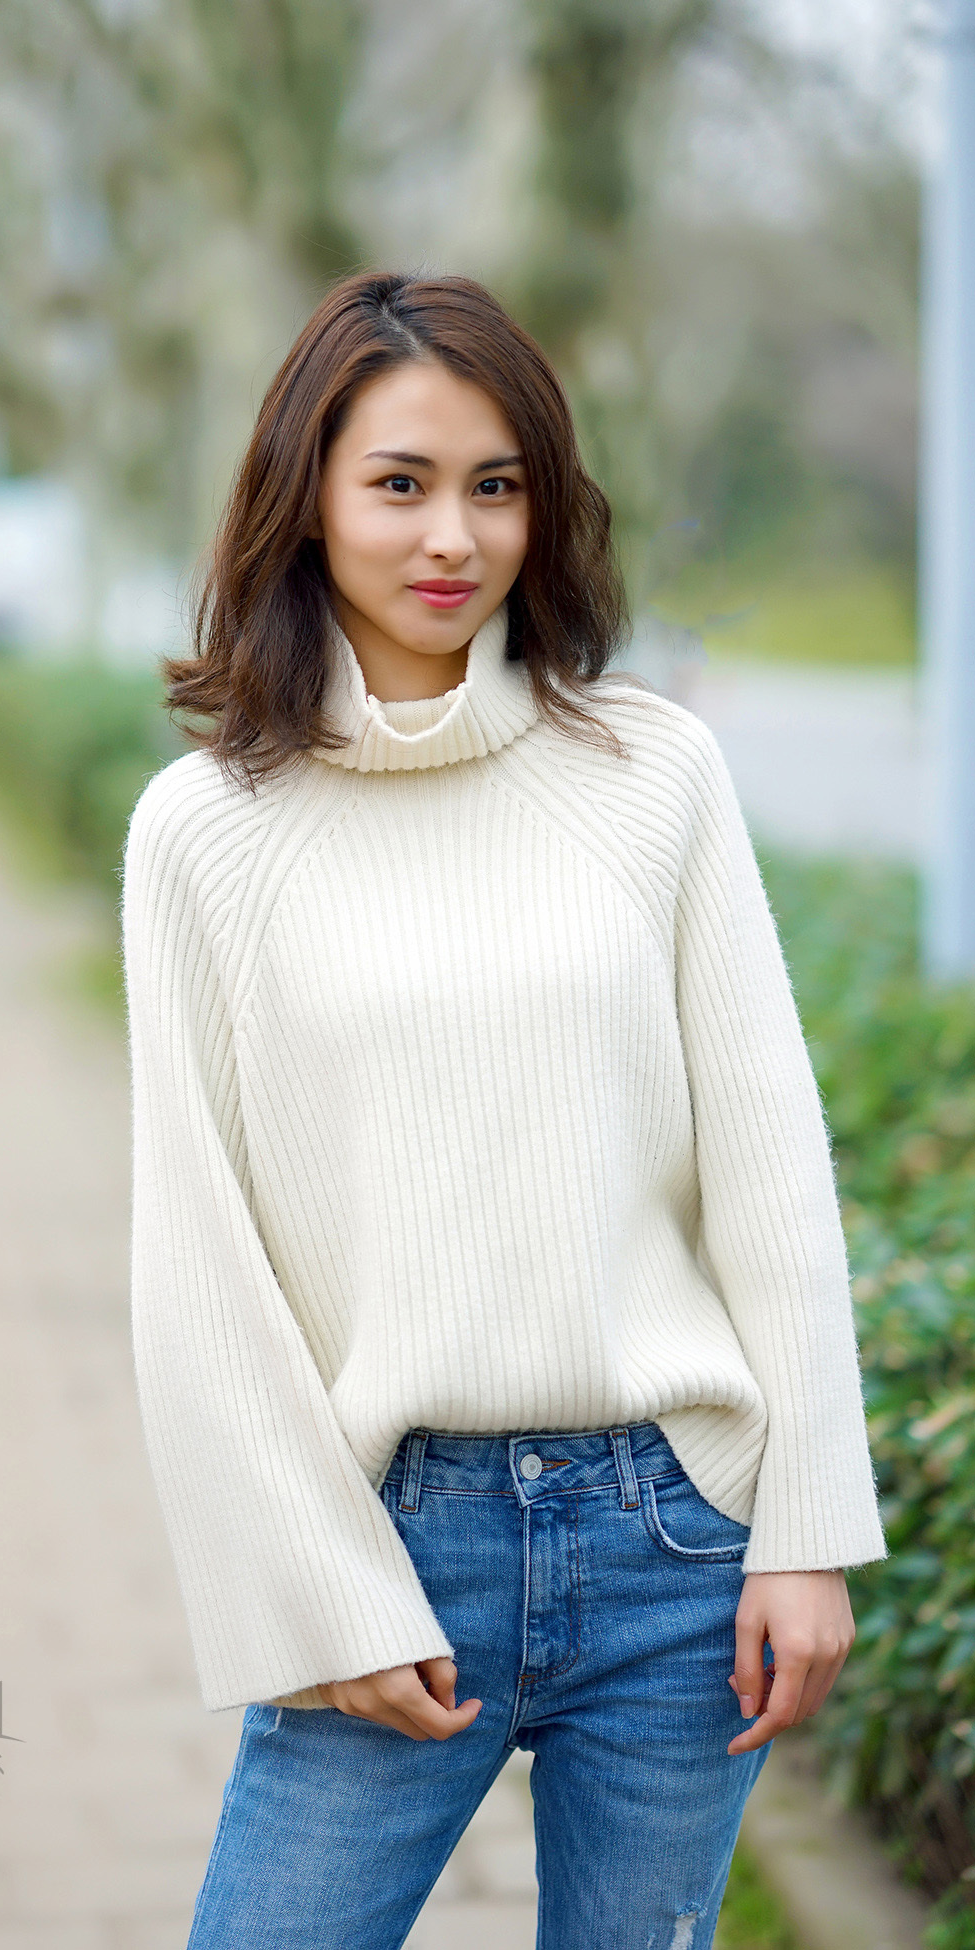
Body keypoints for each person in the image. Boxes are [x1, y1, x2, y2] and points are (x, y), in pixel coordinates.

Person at [120, 271, 886, 1950]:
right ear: (304, 498)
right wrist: (305, 1585)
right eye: (398, 481)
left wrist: (810, 1529)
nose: (449, 534)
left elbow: (769, 1168)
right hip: (395, 1543)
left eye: (497, 483)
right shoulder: (205, 832)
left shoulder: (655, 775)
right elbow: (198, 1260)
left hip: (677, 1540)